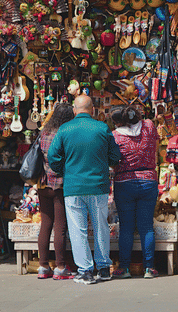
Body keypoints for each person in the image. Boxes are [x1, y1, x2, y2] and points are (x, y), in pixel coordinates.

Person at [48, 95, 121, 285]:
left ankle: (86, 271)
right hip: (98, 186)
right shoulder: (102, 128)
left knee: (78, 230)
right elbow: (115, 155)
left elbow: (53, 157)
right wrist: (105, 164)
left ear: (74, 110)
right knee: (100, 227)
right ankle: (104, 268)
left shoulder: (65, 129)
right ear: (93, 110)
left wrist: (65, 170)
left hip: (73, 186)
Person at [109, 105, 160, 279]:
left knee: (126, 228)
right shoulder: (149, 126)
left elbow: (112, 160)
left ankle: (124, 268)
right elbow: (156, 144)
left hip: (124, 183)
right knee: (146, 227)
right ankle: (149, 268)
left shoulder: (115, 136)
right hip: (148, 180)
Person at [36, 103, 76, 280]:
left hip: (43, 183)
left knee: (46, 225)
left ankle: (43, 266)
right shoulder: (66, 134)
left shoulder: (44, 132)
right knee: (60, 227)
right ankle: (60, 266)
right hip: (60, 184)